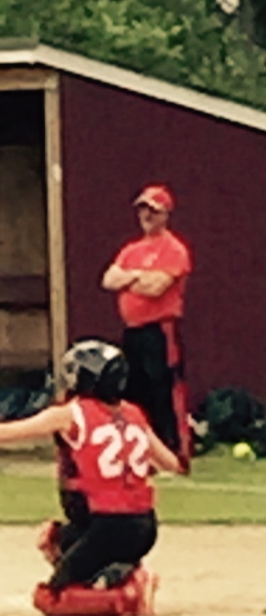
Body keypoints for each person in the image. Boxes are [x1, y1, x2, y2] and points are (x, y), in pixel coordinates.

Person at [0, 340, 182, 616]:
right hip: (145, 527)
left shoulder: (71, 413)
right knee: (53, 536)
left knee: (49, 599)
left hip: (108, 527)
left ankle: (126, 594)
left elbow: (9, 433)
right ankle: (118, 574)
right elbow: (171, 463)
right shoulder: (133, 413)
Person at [101, 184, 192, 472]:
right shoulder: (131, 250)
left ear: (165, 213)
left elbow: (157, 288)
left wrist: (130, 279)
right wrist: (138, 275)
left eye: (152, 210)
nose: (146, 215)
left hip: (159, 330)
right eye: (142, 209)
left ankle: (175, 452)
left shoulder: (174, 249)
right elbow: (109, 280)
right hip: (133, 330)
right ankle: (144, 453)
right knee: (135, 391)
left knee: (163, 389)